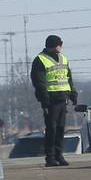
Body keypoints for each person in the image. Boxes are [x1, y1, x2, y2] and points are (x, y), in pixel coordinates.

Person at [30, 35, 77, 167]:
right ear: (52, 45)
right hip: (50, 100)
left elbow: (68, 78)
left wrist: (73, 93)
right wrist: (44, 99)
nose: (60, 46)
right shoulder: (40, 60)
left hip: (63, 98)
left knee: (61, 128)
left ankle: (59, 156)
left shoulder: (63, 58)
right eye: (59, 44)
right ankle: (50, 158)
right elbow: (39, 82)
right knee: (52, 128)